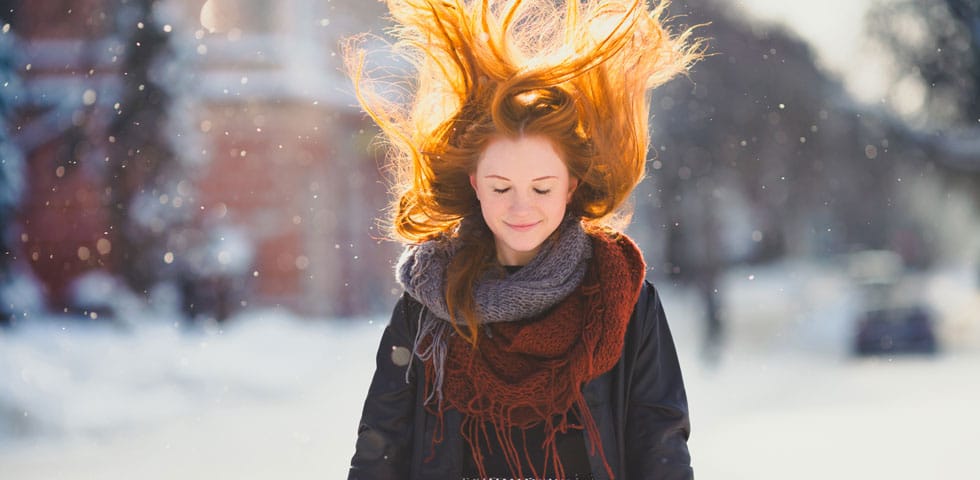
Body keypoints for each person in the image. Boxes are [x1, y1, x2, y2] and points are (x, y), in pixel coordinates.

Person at [345, 1, 703, 479]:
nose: (521, 207)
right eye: (501, 187)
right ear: (475, 184)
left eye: (541, 188)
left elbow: (660, 442)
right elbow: (380, 445)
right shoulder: (431, 300)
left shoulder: (622, 298)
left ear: (570, 186)